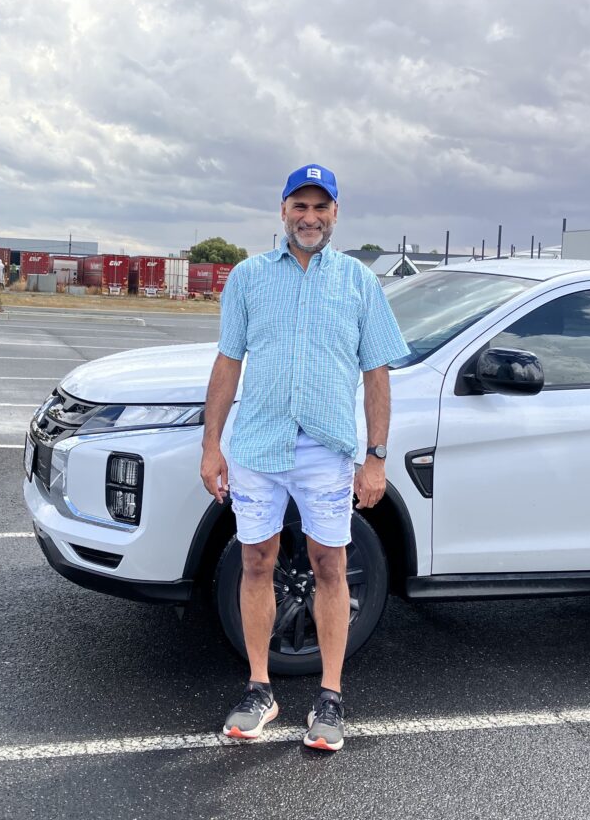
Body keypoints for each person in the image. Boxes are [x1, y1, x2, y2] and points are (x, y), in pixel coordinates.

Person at [199, 164, 408, 752]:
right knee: (256, 561)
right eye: (300, 205)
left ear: (336, 213)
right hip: (257, 446)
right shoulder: (248, 278)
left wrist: (376, 457)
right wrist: (212, 446)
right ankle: (259, 688)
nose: (309, 217)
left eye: (321, 207)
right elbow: (228, 362)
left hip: (326, 449)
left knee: (330, 564)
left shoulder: (359, 283)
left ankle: (330, 696)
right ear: (283, 210)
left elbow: (377, 374)